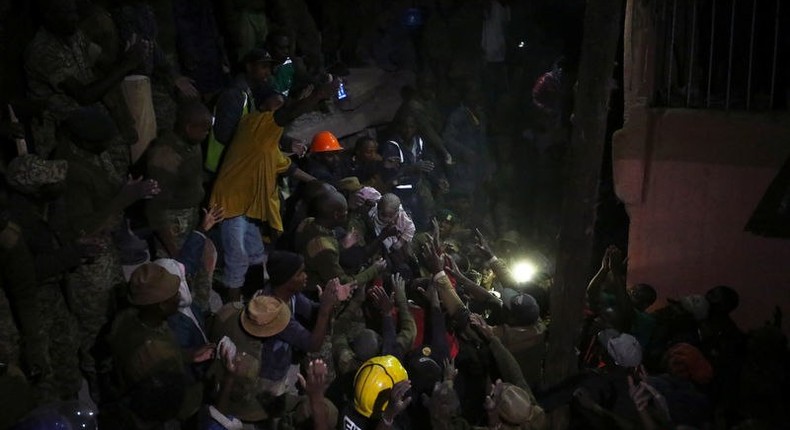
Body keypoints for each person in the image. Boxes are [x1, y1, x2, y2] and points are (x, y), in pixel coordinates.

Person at [56, 107, 160, 398]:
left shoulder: (87, 155)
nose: (107, 147)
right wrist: (124, 198)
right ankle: (100, 392)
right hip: (88, 266)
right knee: (94, 330)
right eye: (101, 143)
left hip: (106, 255)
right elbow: (80, 230)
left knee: (111, 319)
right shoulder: (71, 172)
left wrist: (130, 191)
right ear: (86, 142)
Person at [209, 85, 327, 302]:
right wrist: (316, 96)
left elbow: (286, 166)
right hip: (231, 203)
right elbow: (288, 114)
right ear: (263, 105)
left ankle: (252, 298)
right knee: (238, 259)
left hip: (248, 206)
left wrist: (319, 183)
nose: (281, 107)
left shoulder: (268, 140)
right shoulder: (255, 124)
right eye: (277, 102)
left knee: (255, 254)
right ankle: (232, 311)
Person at [4, 154, 86, 401]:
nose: (58, 185)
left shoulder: (45, 207)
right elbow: (28, 273)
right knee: (43, 370)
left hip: (55, 295)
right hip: (34, 302)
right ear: (32, 191)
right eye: (49, 184)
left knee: (66, 353)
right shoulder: (15, 225)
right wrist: (72, 254)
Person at [25, 0, 141, 160]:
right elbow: (83, 96)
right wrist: (125, 66)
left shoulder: (75, 35)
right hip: (63, 131)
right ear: (49, 16)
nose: (75, 18)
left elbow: (105, 63)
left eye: (75, 12)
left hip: (91, 119)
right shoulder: (42, 51)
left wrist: (129, 57)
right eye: (67, 13)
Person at [108, 262, 213, 424]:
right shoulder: (158, 354)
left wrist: (189, 356)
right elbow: (178, 407)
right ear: (162, 305)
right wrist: (213, 383)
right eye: (174, 294)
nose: (179, 296)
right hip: (151, 414)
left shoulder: (125, 318)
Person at [259, 251, 351, 396]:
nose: (305, 276)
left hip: (280, 365)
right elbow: (313, 345)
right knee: (270, 405)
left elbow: (311, 310)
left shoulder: (289, 293)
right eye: (300, 273)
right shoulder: (275, 312)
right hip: (268, 374)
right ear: (287, 280)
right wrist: (325, 310)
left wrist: (329, 301)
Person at [146, 101, 211, 259]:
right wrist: (173, 251)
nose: (207, 134)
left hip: (191, 215)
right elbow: (156, 209)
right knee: (174, 272)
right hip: (173, 222)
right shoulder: (165, 156)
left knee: (194, 262)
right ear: (189, 128)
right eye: (204, 130)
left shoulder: (191, 143)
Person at [295, 190, 387, 293]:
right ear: (336, 215)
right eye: (346, 212)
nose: (347, 215)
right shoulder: (324, 248)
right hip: (314, 290)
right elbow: (343, 283)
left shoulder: (308, 222)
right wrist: (374, 270)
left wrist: (341, 245)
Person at [205, 48, 278, 174]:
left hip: (235, 163)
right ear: (249, 67)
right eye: (264, 67)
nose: (268, 72)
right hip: (221, 166)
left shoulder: (252, 91)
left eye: (269, 68)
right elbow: (224, 135)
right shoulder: (234, 95)